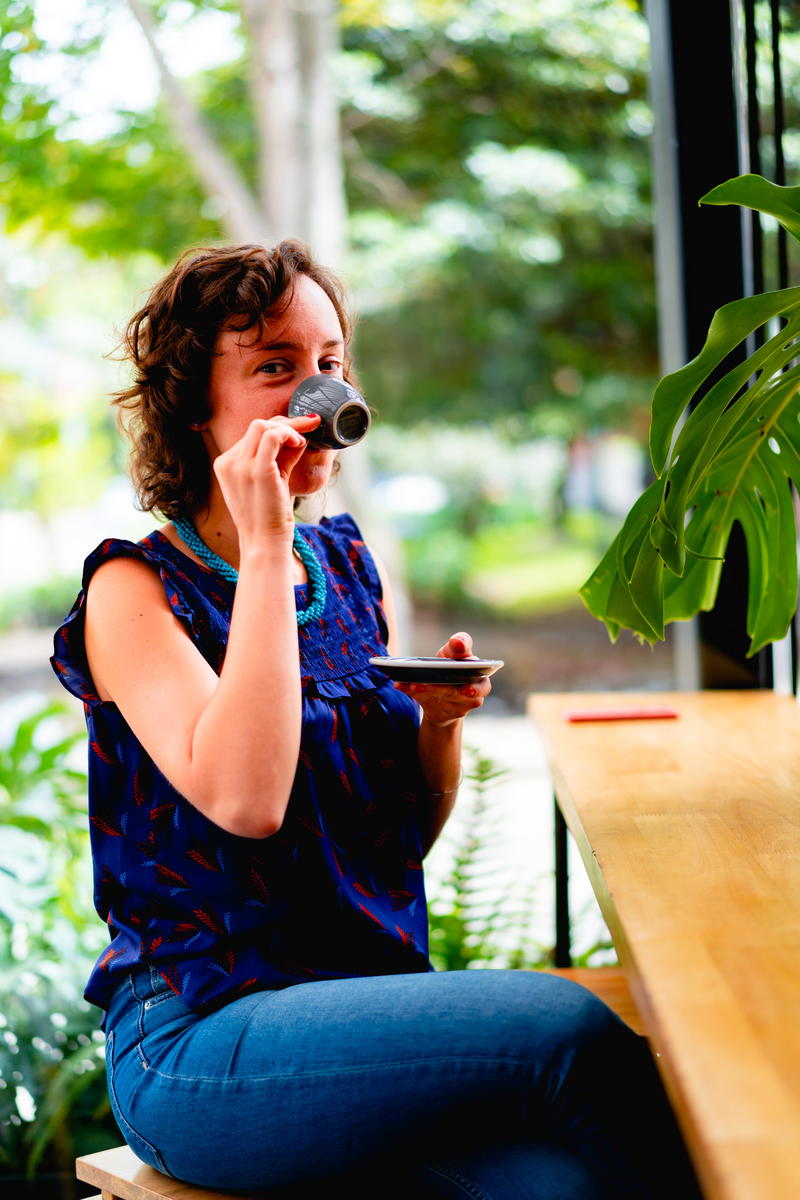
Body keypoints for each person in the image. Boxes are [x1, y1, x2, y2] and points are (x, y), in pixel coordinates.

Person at [51, 241, 700, 1199]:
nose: (316, 394)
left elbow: (395, 842)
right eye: (275, 366)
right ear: (194, 405)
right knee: (566, 1033)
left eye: (330, 364)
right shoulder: (133, 588)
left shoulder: (346, 565)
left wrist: (436, 728)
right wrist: (267, 539)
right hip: (200, 1043)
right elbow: (246, 799)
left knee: (557, 1184)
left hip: (361, 1024)